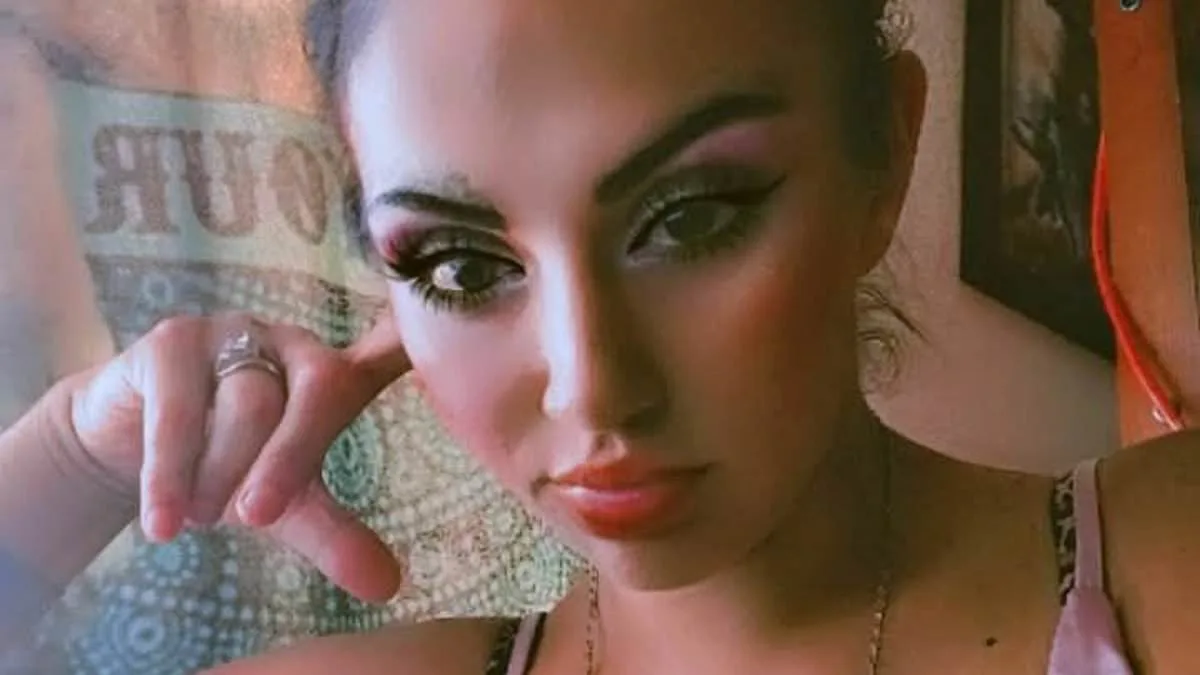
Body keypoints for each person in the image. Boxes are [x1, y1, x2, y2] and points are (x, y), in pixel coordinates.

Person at [1, 0, 1197, 672]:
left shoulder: (1165, 570)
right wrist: (75, 456)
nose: (591, 390)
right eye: (463, 265)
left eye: (692, 217)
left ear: (883, 151)